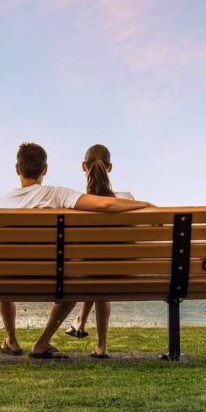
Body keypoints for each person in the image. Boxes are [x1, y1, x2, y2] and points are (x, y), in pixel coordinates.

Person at [0, 143, 153, 359]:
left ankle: (11, 340)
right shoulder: (57, 194)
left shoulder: (0, 203)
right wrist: (145, 204)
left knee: (1, 271)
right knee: (72, 284)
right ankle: (41, 343)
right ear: (45, 170)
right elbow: (105, 205)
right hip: (53, 279)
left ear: (17, 169)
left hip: (5, 281)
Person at [64, 144, 135, 358]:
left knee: (94, 266)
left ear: (83, 167)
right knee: (102, 268)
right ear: (110, 168)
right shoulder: (127, 199)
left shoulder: (75, 203)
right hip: (121, 273)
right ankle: (101, 344)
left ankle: (80, 321)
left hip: (81, 272)